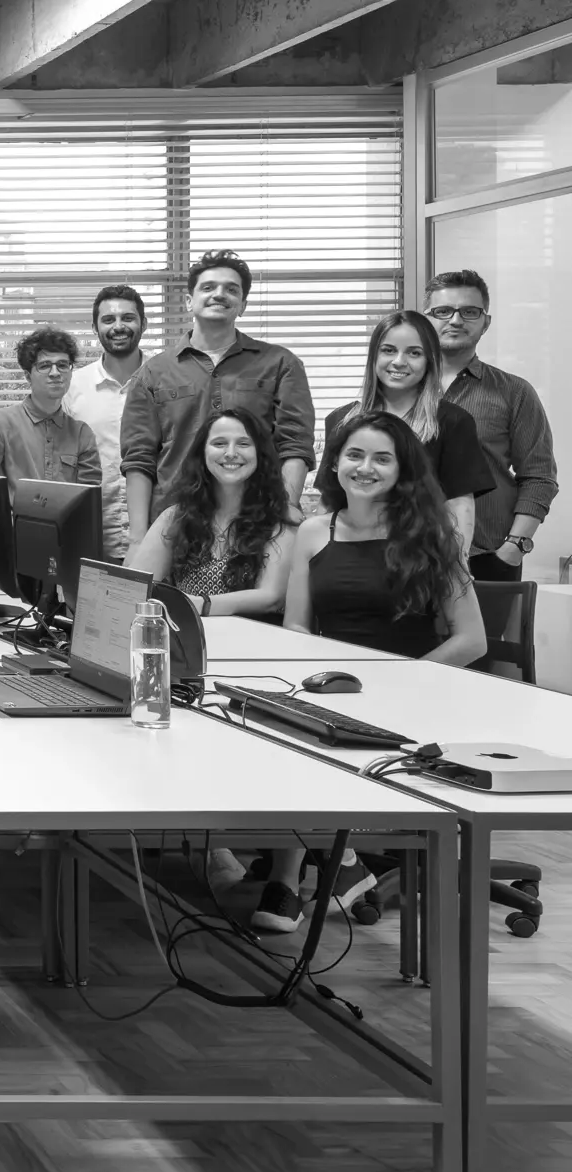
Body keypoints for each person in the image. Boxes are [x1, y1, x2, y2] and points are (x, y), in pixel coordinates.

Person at [234, 411, 486, 935]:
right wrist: (314, 679)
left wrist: (398, 679)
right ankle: (339, 863)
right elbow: (297, 626)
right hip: (334, 689)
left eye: (381, 458)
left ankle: (290, 879)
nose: (365, 467)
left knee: (307, 753)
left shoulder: (433, 534)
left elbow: (471, 640)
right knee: (268, 733)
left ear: (402, 469)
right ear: (335, 462)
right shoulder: (313, 531)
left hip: (411, 695)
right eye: (354, 455)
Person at [119, 250, 314, 542]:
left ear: (243, 305)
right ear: (189, 301)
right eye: (208, 287)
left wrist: (284, 507)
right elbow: (138, 459)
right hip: (174, 526)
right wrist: (138, 539)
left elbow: (295, 444)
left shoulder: (281, 364)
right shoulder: (152, 374)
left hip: (258, 524)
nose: (219, 294)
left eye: (231, 289)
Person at [427, 268, 559, 581]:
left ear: (485, 322)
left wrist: (514, 547)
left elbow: (539, 476)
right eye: (443, 311)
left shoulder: (514, 392)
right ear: (426, 320)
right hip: (405, 554)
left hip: (488, 557)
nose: (455, 320)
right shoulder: (400, 390)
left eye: (469, 312)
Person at [323, 309, 491, 553]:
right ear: (374, 356)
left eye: (414, 353)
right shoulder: (341, 421)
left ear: (429, 361)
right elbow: (329, 499)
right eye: (388, 350)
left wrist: (458, 562)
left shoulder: (453, 422)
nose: (399, 361)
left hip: (421, 556)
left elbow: (459, 504)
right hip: (351, 552)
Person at [124, 408, 298, 617]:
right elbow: (135, 588)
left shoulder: (281, 517)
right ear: (202, 453)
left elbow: (270, 597)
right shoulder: (175, 517)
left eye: (243, 444)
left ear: (260, 454)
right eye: (219, 443)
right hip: (191, 635)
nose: (231, 452)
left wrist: (201, 604)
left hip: (258, 635)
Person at [0, 326, 101, 496]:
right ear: (27, 376)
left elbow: (88, 499)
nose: (55, 373)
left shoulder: (82, 434)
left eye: (62, 365)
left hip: (67, 516)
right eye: (45, 366)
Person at [63, 286, 146, 559]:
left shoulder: (165, 380)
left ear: (144, 324)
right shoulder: (72, 388)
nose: (118, 326)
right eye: (108, 319)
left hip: (157, 541)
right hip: (92, 542)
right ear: (95, 328)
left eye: (128, 318)